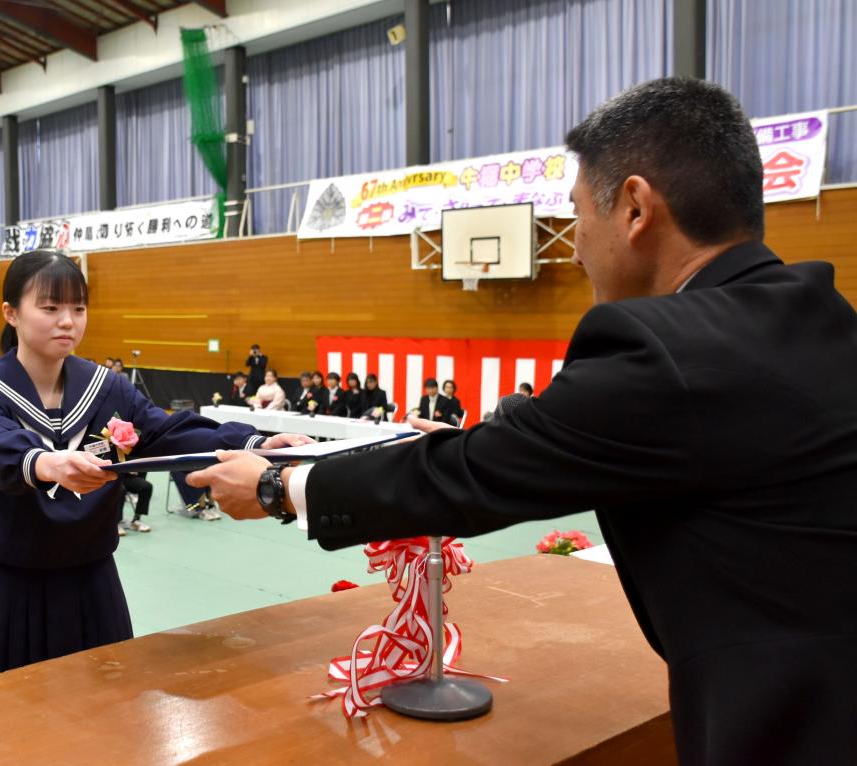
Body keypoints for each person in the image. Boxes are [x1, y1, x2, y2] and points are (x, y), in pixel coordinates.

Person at [188, 78, 857, 764]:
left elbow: (471, 478)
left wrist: (278, 487)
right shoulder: (818, 315)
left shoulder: (663, 347)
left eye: (575, 216)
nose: (571, 248)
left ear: (633, 207)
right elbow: (573, 436)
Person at [0, 249, 308, 687]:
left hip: (90, 582)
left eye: (79, 308)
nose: (68, 321)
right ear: (11, 313)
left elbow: (169, 431)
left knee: (102, 721)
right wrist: (47, 462)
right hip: (5, 588)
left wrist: (254, 443)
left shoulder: (107, 388)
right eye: (50, 307)